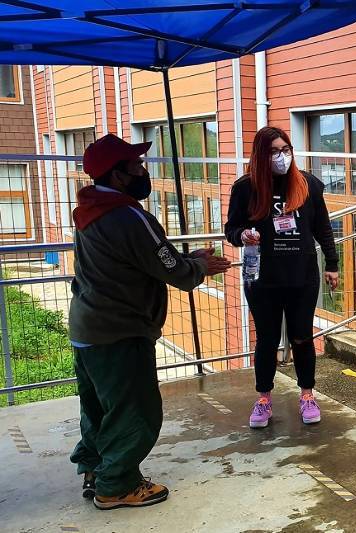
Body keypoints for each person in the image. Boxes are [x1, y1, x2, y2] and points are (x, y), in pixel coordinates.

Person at [69, 134, 231, 510]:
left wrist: (189, 258)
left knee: (99, 408)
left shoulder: (90, 209)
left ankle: (96, 468)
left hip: (87, 328)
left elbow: (143, 260)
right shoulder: (128, 214)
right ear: (119, 173)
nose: (143, 171)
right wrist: (201, 266)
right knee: (136, 412)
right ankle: (117, 485)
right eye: (136, 165)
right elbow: (171, 269)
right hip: (120, 331)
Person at [225, 126, 339, 428]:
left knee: (302, 337)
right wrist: (243, 235)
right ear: (262, 155)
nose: (282, 156)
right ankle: (263, 398)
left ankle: (307, 394)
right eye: (274, 151)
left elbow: (323, 227)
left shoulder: (308, 185)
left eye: (285, 149)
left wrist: (332, 263)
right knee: (267, 339)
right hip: (262, 278)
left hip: (301, 276)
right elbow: (231, 229)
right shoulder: (245, 188)